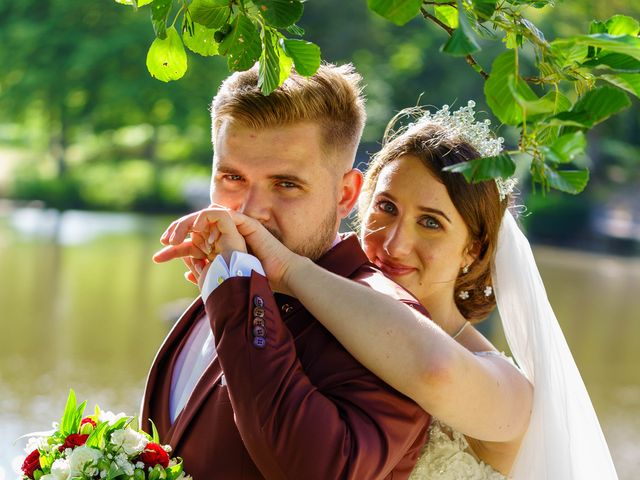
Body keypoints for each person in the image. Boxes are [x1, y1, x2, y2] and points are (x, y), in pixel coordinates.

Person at [162, 102, 618, 478]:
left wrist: (288, 268)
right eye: (385, 207)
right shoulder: (308, 313)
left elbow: (433, 369)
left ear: (473, 250)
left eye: (431, 223)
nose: (394, 242)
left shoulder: (509, 390)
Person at [143, 63, 433, 480]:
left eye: (286, 184)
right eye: (232, 177)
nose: (249, 210)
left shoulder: (388, 319)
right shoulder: (225, 276)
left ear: (345, 193)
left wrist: (234, 284)